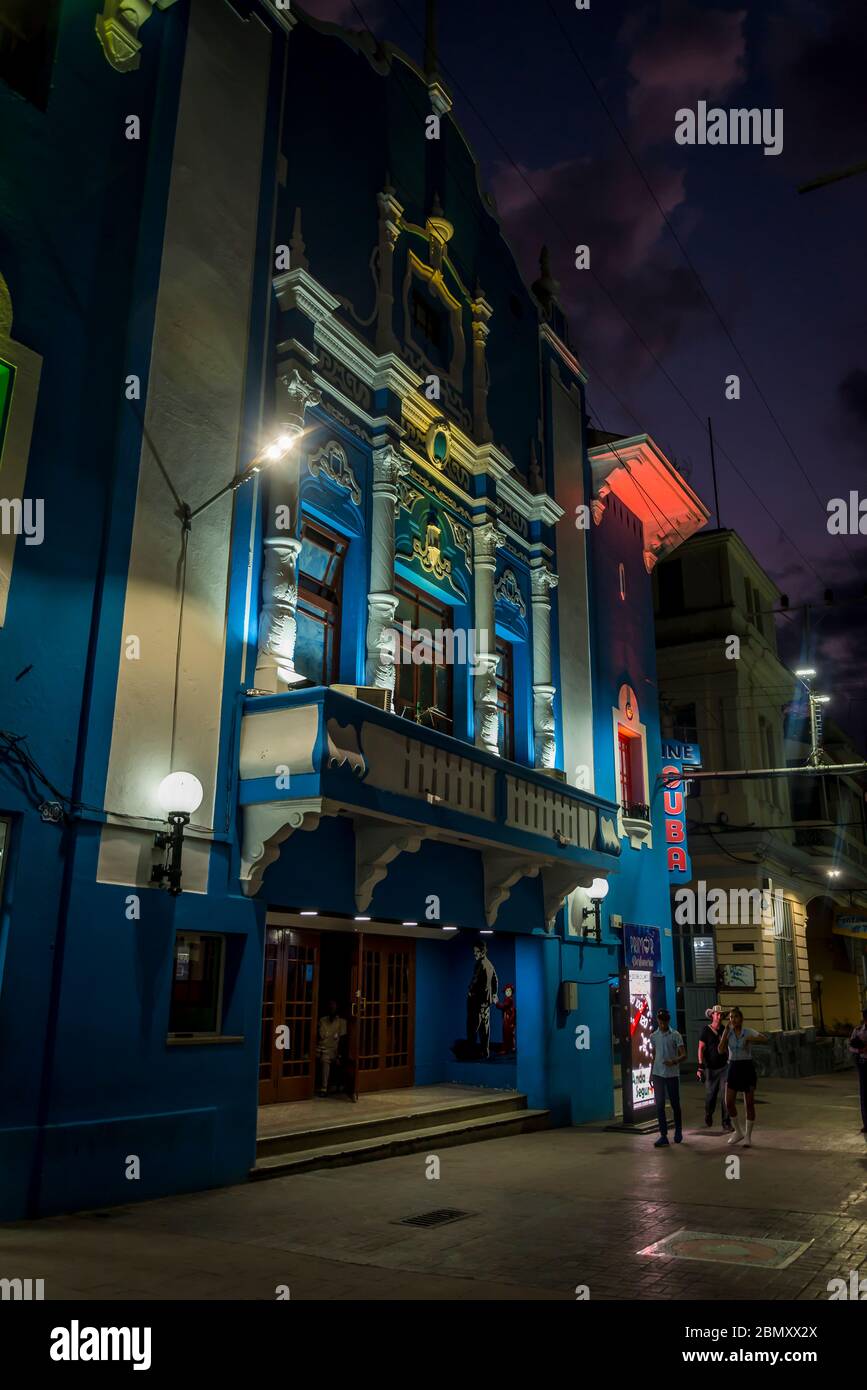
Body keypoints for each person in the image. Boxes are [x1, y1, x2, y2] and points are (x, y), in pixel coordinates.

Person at [718, 1007, 768, 1147]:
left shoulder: (748, 1031)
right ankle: (738, 1132)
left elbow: (765, 1039)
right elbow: (720, 1049)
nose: (733, 1020)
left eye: (735, 1017)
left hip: (746, 1067)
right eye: (731, 1018)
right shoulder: (728, 1033)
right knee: (729, 1102)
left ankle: (748, 1136)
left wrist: (750, 1039)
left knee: (749, 1104)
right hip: (733, 1067)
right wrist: (725, 1033)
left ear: (741, 1019)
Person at [650, 1008, 686, 1147]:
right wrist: (651, 1074)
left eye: (665, 1021)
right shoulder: (654, 1036)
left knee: (675, 1104)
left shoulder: (675, 1035)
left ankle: (678, 1131)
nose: (663, 1023)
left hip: (671, 1074)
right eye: (661, 1020)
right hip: (658, 1073)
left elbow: (684, 1054)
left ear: (668, 1020)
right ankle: (663, 1135)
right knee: (659, 1105)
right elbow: (654, 1055)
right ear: (658, 1021)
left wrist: (674, 1061)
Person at [697, 1004, 733, 1132]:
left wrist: (731, 1063)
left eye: (720, 1014)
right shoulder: (706, 1030)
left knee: (726, 1096)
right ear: (712, 1015)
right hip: (710, 1068)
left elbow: (728, 1048)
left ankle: (726, 1122)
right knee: (710, 1096)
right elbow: (701, 1048)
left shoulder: (724, 1030)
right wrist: (700, 1067)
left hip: (724, 1067)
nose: (719, 1016)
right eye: (716, 1014)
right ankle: (708, 1113)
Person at [466, 942, 498, 1058]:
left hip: (477, 1000)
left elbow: (475, 979)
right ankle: (485, 1052)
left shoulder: (480, 964)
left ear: (483, 952)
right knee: (485, 1027)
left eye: (477, 952)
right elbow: (495, 980)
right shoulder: (490, 964)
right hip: (486, 1001)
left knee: (473, 1026)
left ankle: (472, 1053)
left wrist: (470, 990)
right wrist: (494, 994)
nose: (474, 954)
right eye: (474, 952)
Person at [316, 999, 347, 1096]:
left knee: (325, 1059)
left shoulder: (341, 1022)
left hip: (332, 1051)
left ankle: (323, 1088)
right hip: (320, 1048)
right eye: (330, 1006)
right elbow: (318, 1036)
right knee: (306, 1057)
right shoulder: (322, 1020)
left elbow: (342, 1040)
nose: (331, 1009)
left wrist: (339, 1056)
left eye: (333, 1007)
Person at [849, 1006, 867, 1133]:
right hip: (863, 1063)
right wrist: (860, 1050)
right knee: (864, 1094)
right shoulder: (858, 1030)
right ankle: (866, 1123)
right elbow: (850, 1047)